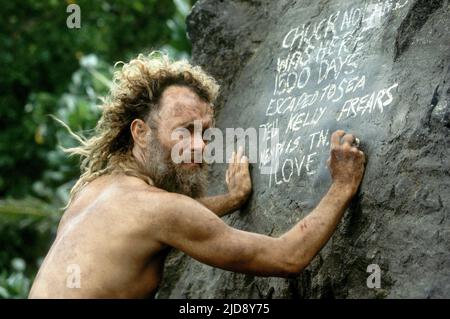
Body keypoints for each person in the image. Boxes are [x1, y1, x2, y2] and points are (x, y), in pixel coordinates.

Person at [29, 53, 365, 298]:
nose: (198, 146)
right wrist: (342, 185)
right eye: (184, 131)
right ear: (141, 132)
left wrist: (232, 199)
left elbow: (160, 221)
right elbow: (287, 257)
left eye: (204, 133)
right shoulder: (160, 210)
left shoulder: (95, 190)